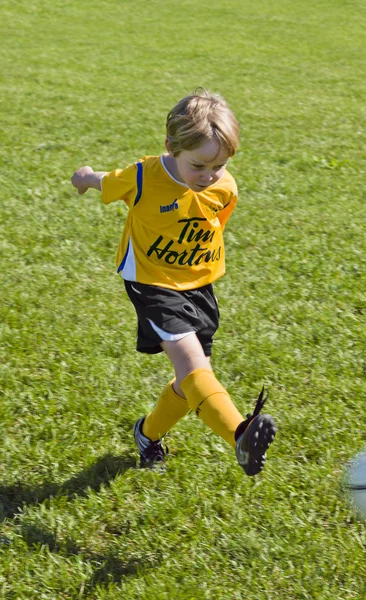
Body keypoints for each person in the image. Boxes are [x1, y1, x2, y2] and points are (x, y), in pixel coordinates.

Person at [71, 89, 276, 476]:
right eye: (198, 166)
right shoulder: (144, 177)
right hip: (152, 282)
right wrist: (84, 177)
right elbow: (105, 181)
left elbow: (213, 226)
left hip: (198, 287)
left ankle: (147, 435)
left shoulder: (225, 187)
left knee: (190, 383)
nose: (209, 176)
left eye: (219, 166)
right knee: (192, 364)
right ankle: (240, 434)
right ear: (170, 146)